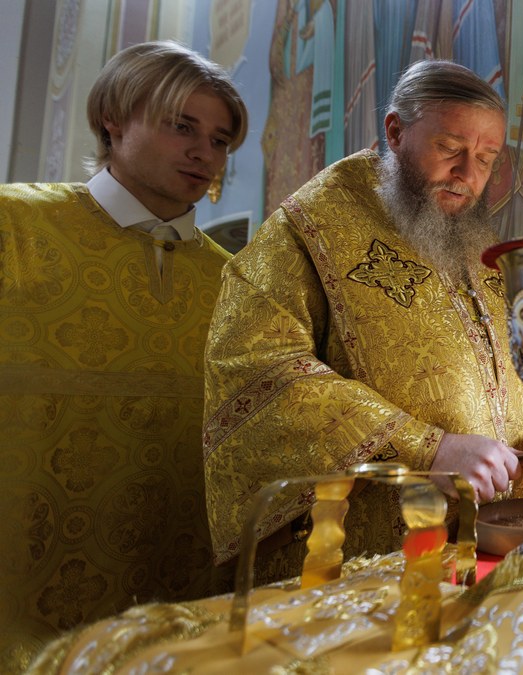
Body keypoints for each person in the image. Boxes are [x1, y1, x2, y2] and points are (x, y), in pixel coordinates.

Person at [203, 60, 523, 580]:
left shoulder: (474, 240)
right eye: (450, 148)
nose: (468, 174)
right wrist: (428, 448)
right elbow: (259, 367)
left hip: (498, 540)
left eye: (486, 159)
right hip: (369, 553)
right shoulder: (313, 225)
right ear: (395, 132)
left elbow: (517, 358)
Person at [0, 41, 248, 670]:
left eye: (220, 140)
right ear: (113, 119)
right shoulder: (14, 224)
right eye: (181, 127)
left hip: (176, 590)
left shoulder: (239, 282)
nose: (204, 152)